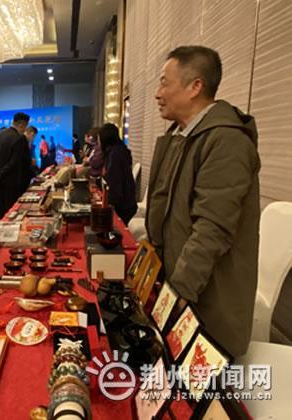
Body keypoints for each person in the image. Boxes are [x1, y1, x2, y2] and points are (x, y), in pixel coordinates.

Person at [147, 45, 260, 357]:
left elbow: (212, 229)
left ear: (195, 86)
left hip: (207, 303)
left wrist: (175, 296)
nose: (158, 93)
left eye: (164, 83)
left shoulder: (226, 140)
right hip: (181, 284)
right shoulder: (185, 136)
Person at [0, 112, 31, 221]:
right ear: (21, 124)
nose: (25, 130)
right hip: (12, 181)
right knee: (11, 211)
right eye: (25, 126)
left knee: (1, 205)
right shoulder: (19, 138)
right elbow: (14, 162)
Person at [98, 123, 137, 225]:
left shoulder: (115, 155)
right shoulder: (118, 150)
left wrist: (107, 205)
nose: (98, 142)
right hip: (126, 201)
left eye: (99, 138)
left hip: (122, 205)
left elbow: (114, 184)